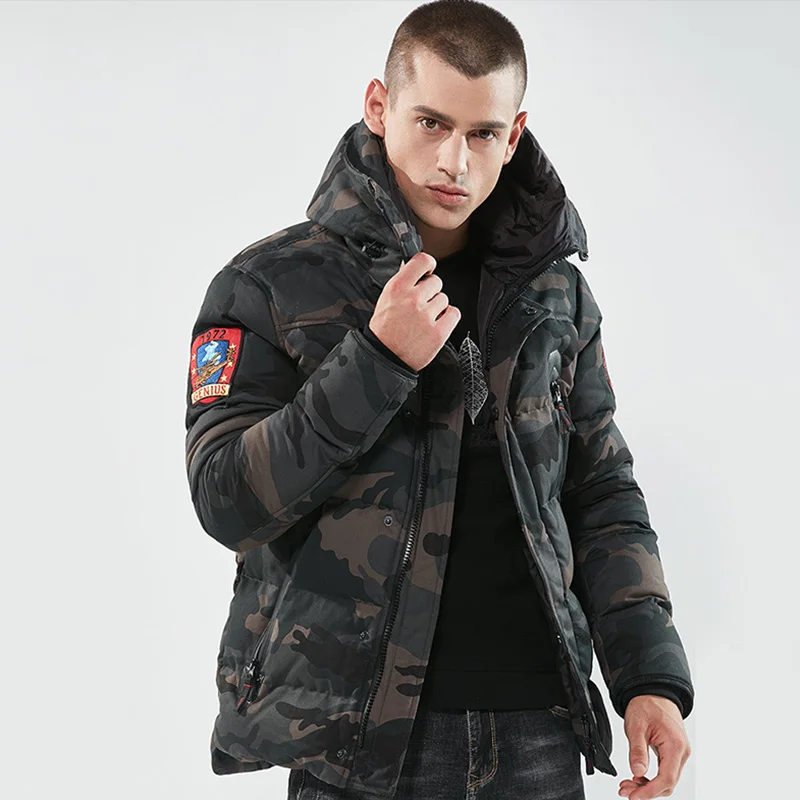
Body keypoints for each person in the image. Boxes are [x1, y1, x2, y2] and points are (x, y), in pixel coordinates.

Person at [183, 1, 694, 798]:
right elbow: (226, 501)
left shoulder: (555, 295)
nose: (454, 160)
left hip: (537, 734)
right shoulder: (271, 285)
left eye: (482, 134)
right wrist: (378, 359)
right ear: (378, 106)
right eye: (431, 122)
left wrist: (649, 676)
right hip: (359, 746)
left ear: (514, 136)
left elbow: (601, 494)